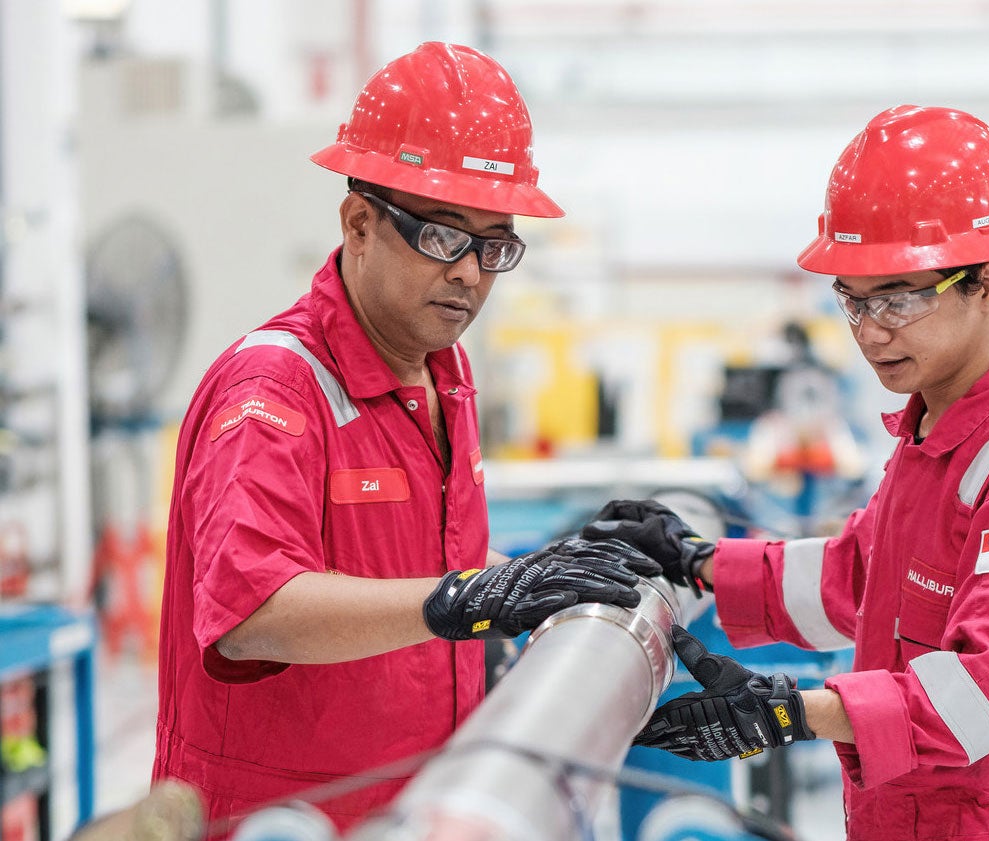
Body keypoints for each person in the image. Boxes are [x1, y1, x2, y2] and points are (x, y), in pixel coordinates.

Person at [152, 43, 657, 834]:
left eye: (494, 246)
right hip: (277, 820)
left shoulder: (441, 374)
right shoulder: (275, 390)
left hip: (417, 807)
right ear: (358, 221)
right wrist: (466, 599)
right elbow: (253, 611)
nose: (468, 274)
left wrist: (542, 577)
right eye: (444, 235)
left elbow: (417, 568)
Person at [588, 106, 989, 840]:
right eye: (854, 299)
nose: (871, 331)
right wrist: (702, 562)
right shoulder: (933, 426)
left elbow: (976, 699)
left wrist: (791, 709)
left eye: (899, 298)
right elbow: (860, 579)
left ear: (987, 284)